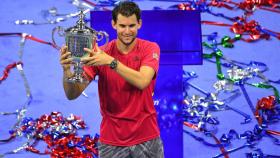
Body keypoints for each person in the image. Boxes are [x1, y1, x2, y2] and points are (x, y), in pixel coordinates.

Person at [60, 1, 163, 158]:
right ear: (113, 24)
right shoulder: (100, 54)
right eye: (122, 26)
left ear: (139, 24)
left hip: (147, 137)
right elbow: (72, 94)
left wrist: (111, 62)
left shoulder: (150, 48)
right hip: (111, 140)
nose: (127, 31)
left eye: (131, 26)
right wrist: (67, 71)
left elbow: (143, 81)